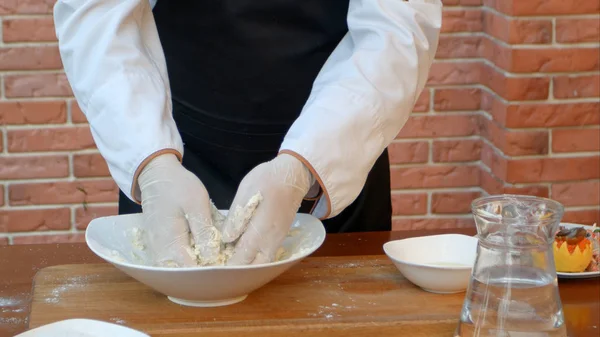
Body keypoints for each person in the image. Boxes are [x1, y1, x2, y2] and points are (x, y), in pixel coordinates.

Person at [53, 0, 442, 267]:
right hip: (176, 156)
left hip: (336, 159)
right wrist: (151, 164)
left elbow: (398, 28)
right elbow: (95, 14)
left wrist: (305, 164)